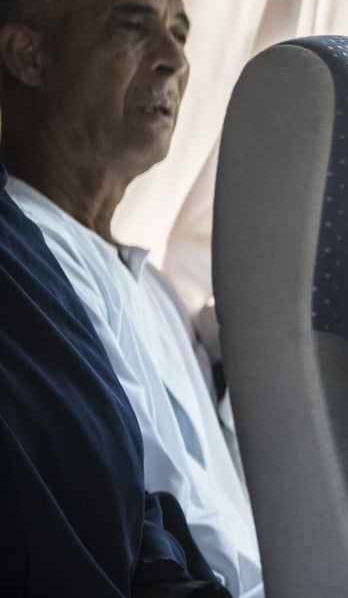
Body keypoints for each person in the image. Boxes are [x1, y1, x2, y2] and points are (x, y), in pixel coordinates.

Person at [0, 0, 261, 597]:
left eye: (180, 33)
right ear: (29, 55)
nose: (175, 60)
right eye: (132, 25)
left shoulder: (158, 294)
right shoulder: (21, 270)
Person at [0, 160, 231, 597]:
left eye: (187, 82)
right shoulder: (42, 246)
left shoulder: (156, 287)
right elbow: (151, 499)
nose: (173, 86)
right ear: (30, 83)